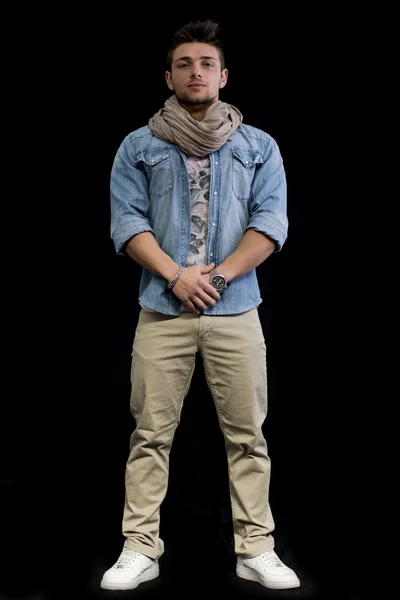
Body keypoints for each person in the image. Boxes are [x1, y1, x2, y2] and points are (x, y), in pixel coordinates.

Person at [100, 19, 300, 592]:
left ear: (223, 75)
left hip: (236, 309)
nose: (195, 72)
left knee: (248, 436)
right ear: (169, 76)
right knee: (150, 434)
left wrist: (214, 277)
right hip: (162, 310)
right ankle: (140, 546)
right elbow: (127, 221)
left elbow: (271, 221)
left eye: (206, 63)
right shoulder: (139, 145)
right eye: (184, 64)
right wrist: (175, 277)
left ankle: (255, 547)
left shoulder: (258, 145)